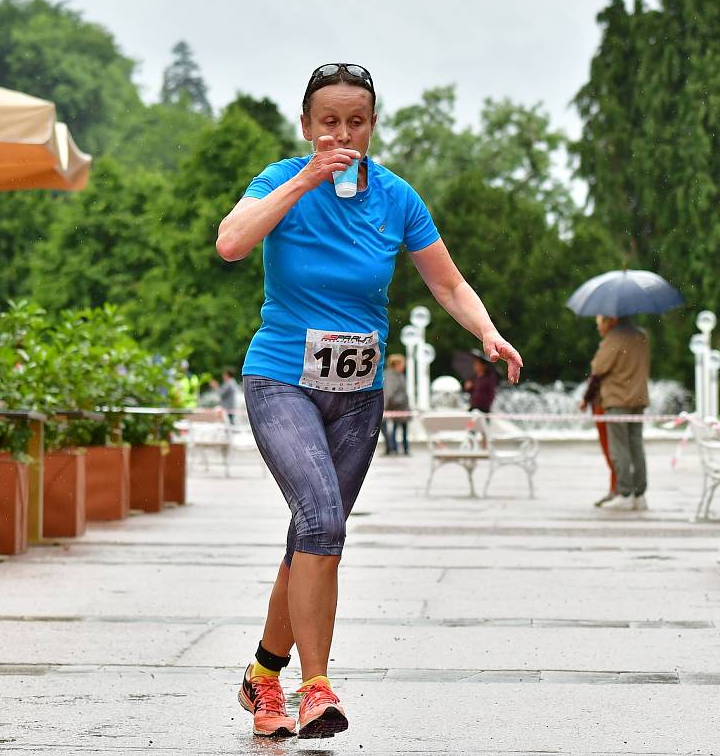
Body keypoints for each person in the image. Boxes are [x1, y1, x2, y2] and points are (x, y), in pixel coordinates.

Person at [215, 63, 522, 740]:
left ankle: (264, 676)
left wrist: (487, 330)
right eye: (329, 121)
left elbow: (447, 284)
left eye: (356, 122)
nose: (343, 134)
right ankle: (315, 687)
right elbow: (232, 243)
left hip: (357, 396)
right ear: (306, 125)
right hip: (282, 381)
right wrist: (305, 179)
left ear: (373, 126)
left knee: (314, 535)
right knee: (321, 519)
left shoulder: (396, 198)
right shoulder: (278, 181)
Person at [587, 315, 650, 512]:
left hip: (617, 399)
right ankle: (640, 495)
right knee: (636, 445)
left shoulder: (614, 338)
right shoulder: (642, 335)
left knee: (619, 447)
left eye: (602, 322)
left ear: (612, 319)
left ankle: (625, 493)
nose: (600, 328)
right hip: (638, 398)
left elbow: (598, 367)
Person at [579, 316, 617, 506]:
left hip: (604, 404)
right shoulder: (623, 341)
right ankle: (617, 488)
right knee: (614, 449)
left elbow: (597, 375)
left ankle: (615, 489)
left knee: (610, 449)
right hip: (607, 403)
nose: (598, 328)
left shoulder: (610, 344)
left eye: (600, 324)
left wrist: (585, 399)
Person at [381, 353, 410, 455]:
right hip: (396, 407)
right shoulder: (390, 376)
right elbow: (389, 392)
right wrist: (384, 406)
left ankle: (403, 449)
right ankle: (394, 449)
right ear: (397, 364)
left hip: (402, 407)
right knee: (394, 429)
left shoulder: (399, 375)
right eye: (402, 364)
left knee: (403, 429)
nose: (404, 366)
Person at [464, 349, 499, 414]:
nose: (475, 367)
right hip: (473, 406)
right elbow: (472, 392)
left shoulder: (489, 378)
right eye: (475, 365)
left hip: (484, 408)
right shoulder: (474, 378)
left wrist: (488, 405)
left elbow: (492, 393)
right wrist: (469, 388)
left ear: (484, 366)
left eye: (477, 364)